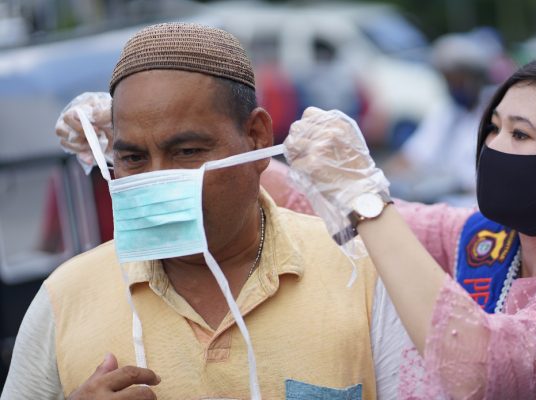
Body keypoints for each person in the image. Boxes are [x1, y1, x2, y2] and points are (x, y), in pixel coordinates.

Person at [1, 23, 411, 400]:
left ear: (256, 138)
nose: (158, 180)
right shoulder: (66, 298)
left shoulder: (361, 276)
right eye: (133, 158)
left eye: (187, 151)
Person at [284, 53, 536, 399]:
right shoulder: (494, 236)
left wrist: (363, 197)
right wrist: (260, 163)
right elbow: (334, 211)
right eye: (493, 127)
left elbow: (478, 370)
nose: (492, 146)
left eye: (519, 134)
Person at [384, 29, 514, 205]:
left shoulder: (499, 111)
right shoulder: (446, 111)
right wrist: (380, 178)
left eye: (459, 80)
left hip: (478, 205)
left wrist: (457, 186)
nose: (453, 87)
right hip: (441, 203)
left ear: (476, 77)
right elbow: (413, 155)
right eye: (448, 80)